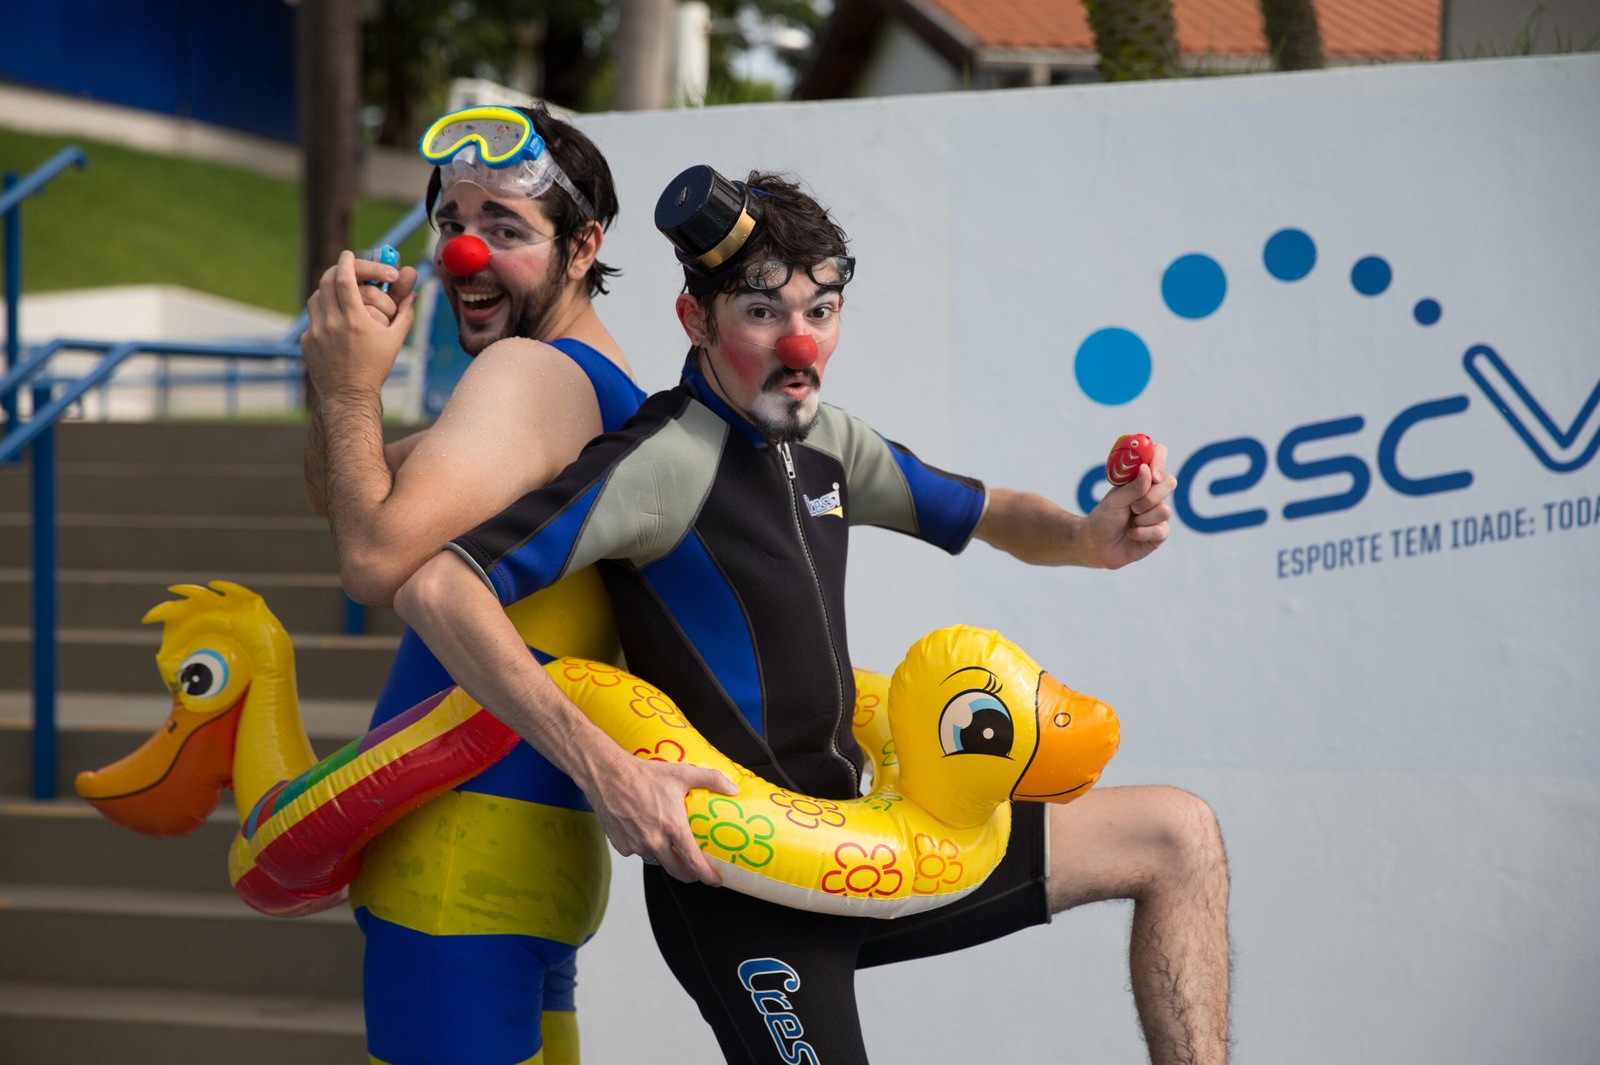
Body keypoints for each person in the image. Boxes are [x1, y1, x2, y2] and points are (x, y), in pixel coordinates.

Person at [393, 166, 1231, 1064]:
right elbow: (439, 588)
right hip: (744, 890)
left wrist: (1089, 536)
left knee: (1178, 836)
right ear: (695, 319)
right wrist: (604, 767)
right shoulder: (657, 460)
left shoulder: (829, 439)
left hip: (871, 842)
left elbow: (989, 511)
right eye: (762, 312)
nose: (800, 345)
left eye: (821, 310)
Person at [300, 103, 648, 1065]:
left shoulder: (530, 374)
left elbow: (371, 560)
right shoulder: (604, 385)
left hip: (454, 862)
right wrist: (344, 377)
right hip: (538, 854)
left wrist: (347, 390)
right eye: (452, 222)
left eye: (506, 227)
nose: (465, 252)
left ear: (584, 247)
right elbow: (340, 488)